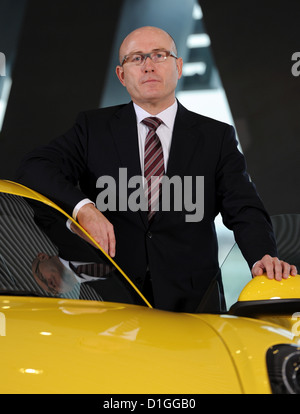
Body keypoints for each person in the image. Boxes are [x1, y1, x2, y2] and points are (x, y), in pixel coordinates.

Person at [16, 26, 297, 312]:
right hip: (109, 301)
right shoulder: (93, 129)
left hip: (192, 306)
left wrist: (262, 256)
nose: (149, 65)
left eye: (160, 55)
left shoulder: (216, 137)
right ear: (122, 75)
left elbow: (244, 208)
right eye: (136, 58)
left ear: (178, 66)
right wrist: (84, 209)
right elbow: (35, 167)